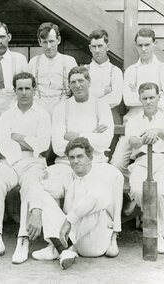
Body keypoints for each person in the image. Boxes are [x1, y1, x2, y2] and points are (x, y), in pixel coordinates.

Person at [37, 66, 123, 257]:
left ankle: (113, 235)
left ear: (89, 82)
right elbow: (59, 146)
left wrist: (74, 135)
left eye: (81, 81)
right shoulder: (62, 108)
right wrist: (92, 135)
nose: (77, 85)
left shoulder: (101, 106)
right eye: (73, 82)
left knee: (115, 176)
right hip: (65, 163)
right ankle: (54, 242)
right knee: (44, 181)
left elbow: (105, 141)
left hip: (96, 163)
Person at [0, 72, 51, 264]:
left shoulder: (42, 114)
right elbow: (4, 144)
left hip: (34, 162)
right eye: (20, 89)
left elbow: (44, 145)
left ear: (34, 90)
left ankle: (23, 240)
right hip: (10, 161)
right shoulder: (7, 115)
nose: (23, 93)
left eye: (27, 88)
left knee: (30, 187)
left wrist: (19, 138)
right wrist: (30, 141)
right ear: (14, 91)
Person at [28, 137, 120, 270]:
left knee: (91, 205)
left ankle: (58, 248)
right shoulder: (69, 177)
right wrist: (37, 205)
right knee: (43, 195)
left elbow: (94, 198)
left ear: (90, 157)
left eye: (80, 156)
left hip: (94, 244)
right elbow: (46, 190)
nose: (75, 161)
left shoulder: (101, 176)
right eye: (71, 157)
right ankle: (64, 250)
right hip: (72, 239)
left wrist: (68, 221)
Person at [111, 27, 164, 178]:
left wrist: (138, 94)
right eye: (140, 45)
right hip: (133, 125)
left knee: (155, 168)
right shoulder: (131, 71)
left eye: (147, 44)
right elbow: (127, 99)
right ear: (136, 46)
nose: (144, 49)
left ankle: (142, 183)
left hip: (156, 126)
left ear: (155, 44)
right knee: (116, 165)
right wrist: (155, 96)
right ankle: (136, 178)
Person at [125, 82, 164, 254]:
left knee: (160, 191)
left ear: (158, 97)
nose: (148, 101)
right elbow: (132, 141)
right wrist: (144, 139)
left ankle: (157, 234)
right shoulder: (133, 121)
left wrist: (156, 130)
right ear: (140, 99)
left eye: (152, 97)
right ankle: (160, 223)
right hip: (141, 161)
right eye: (145, 98)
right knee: (139, 191)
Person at [28, 22, 77, 116]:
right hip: (39, 109)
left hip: (63, 108)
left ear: (58, 40)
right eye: (45, 42)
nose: (48, 46)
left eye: (51, 41)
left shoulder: (69, 61)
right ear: (39, 42)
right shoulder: (33, 62)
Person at [86, 29, 123, 125]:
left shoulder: (116, 71)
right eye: (94, 47)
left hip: (111, 117)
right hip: (89, 117)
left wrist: (93, 96)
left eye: (100, 46)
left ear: (107, 47)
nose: (97, 50)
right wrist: (104, 91)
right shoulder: (85, 70)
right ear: (90, 48)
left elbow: (116, 99)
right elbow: (83, 96)